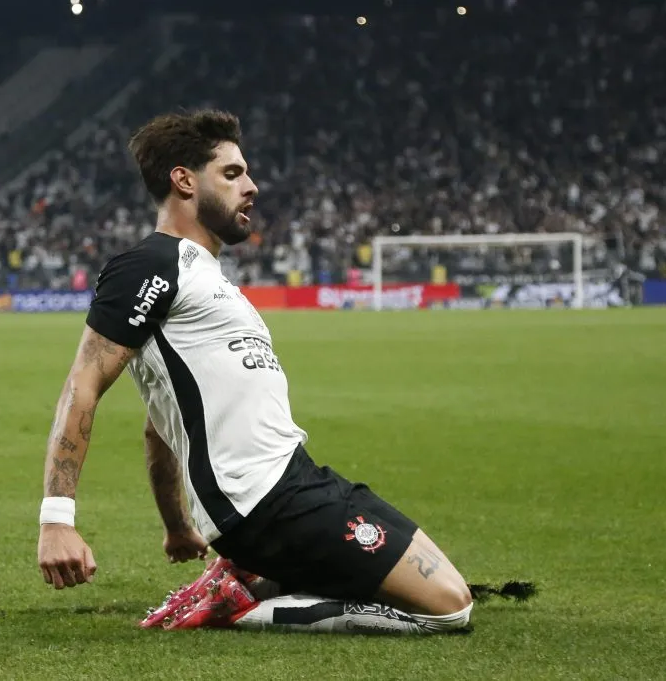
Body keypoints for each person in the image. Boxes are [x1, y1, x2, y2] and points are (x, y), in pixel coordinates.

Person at [36, 109, 499, 634]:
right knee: (448, 608)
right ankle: (241, 606)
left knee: (445, 580)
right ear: (184, 181)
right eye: (232, 174)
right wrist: (56, 520)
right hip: (262, 504)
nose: (251, 186)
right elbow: (82, 385)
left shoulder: (210, 278)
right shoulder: (151, 265)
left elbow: (160, 424)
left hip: (299, 481)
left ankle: (254, 580)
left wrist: (178, 527)